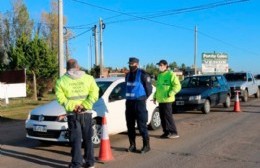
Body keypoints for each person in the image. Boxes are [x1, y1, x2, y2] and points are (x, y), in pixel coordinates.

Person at [55, 59, 99, 168]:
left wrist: (73, 107)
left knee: (76, 140)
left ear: (67, 68)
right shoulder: (89, 78)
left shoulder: (61, 81)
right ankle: (90, 163)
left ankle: (77, 164)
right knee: (88, 139)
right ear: (78, 66)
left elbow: (61, 98)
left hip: (72, 114)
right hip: (86, 113)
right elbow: (94, 94)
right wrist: (84, 105)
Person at [125, 57, 153, 154]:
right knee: (130, 126)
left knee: (142, 126)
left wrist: (143, 98)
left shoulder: (143, 74)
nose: (130, 66)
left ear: (137, 64)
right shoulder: (127, 75)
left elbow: (149, 89)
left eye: (132, 64)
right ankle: (132, 145)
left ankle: (146, 145)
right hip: (129, 103)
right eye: (129, 64)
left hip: (139, 103)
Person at [153, 60, 181, 139]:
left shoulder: (171, 74)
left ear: (166, 66)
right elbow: (158, 88)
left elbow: (178, 86)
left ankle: (173, 132)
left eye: (161, 65)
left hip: (168, 100)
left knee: (168, 117)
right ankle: (166, 132)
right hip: (161, 100)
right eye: (159, 65)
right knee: (162, 117)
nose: (160, 67)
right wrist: (155, 97)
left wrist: (170, 93)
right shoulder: (159, 76)